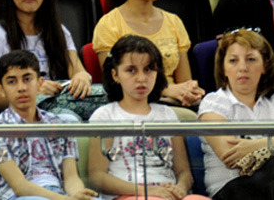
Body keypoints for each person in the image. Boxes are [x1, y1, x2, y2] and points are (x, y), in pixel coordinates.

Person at [87, 36, 206, 199]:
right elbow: (97, 177)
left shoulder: (168, 114)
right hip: (128, 195)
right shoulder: (105, 116)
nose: (141, 78)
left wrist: (180, 188)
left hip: (167, 194)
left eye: (148, 69)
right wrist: (145, 190)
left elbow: (183, 171)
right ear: (115, 75)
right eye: (131, 70)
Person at [198, 30, 274, 198]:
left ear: (265, 65)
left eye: (251, 59)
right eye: (233, 61)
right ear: (223, 68)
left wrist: (254, 146)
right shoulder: (213, 103)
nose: (242, 68)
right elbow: (232, 157)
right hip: (231, 188)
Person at [92, 0, 205, 107]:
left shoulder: (174, 21)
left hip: (174, 102)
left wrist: (191, 91)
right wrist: (166, 90)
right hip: (134, 104)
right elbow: (117, 84)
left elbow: (184, 81)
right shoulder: (109, 25)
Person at [0, 49, 93, 200]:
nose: (21, 88)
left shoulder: (60, 124)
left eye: (27, 79)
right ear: (1, 90)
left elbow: (71, 178)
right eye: (12, 82)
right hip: (13, 196)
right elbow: (20, 186)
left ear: (40, 83)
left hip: (58, 194)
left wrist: (78, 196)